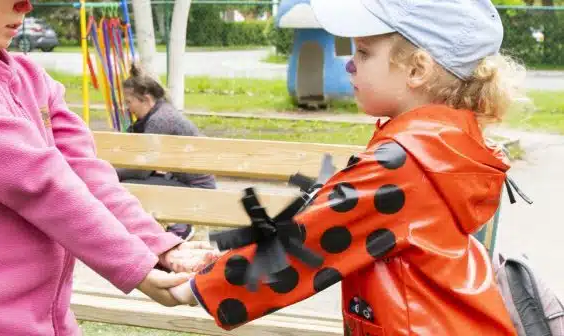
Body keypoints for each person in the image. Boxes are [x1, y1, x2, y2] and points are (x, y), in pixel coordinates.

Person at [170, 0, 526, 335]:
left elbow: (308, 246)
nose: (349, 64)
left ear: (417, 69)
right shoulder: (439, 146)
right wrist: (220, 256)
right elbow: (328, 219)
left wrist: (195, 289)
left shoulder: (407, 164)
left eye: (364, 52)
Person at [0, 0, 218, 335]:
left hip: (50, 315)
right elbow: (43, 186)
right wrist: (138, 269)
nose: (26, 6)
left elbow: (85, 172)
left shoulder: (30, 77)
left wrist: (160, 248)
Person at [117, 65, 217, 241]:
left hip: (198, 191)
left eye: (129, 101)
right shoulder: (161, 112)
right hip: (188, 184)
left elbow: (142, 170)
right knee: (132, 182)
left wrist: (111, 171)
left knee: (128, 184)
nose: (127, 108)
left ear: (146, 99)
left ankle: (181, 227)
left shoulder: (159, 120)